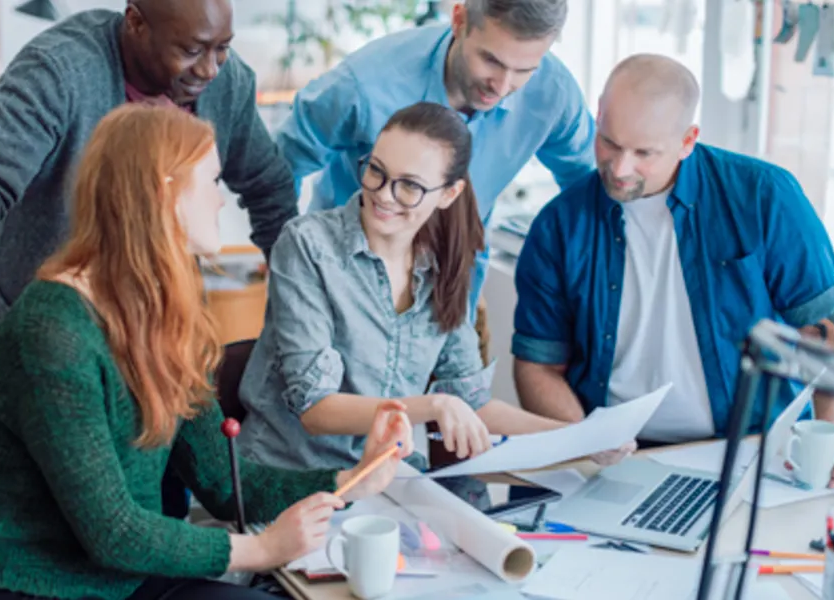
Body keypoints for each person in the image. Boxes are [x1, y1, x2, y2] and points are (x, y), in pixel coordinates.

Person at [0, 104, 414, 600]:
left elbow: (224, 482)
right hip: (18, 582)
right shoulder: (52, 332)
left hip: (117, 579)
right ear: (166, 193)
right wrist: (261, 549)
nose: (222, 202)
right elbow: (113, 532)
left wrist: (352, 479)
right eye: (212, 182)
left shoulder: (164, 308)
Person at [0, 0, 295, 404]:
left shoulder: (226, 81)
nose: (210, 69)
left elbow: (269, 189)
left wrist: (301, 319)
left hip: (154, 338)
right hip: (43, 338)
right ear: (136, 22)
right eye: (192, 49)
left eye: (222, 48)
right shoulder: (59, 70)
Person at [511, 54, 834, 487]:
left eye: (644, 152)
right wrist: (585, 442)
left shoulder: (763, 197)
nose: (620, 169)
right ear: (598, 119)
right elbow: (538, 365)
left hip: (754, 452)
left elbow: (830, 337)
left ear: (688, 140)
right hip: (617, 459)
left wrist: (833, 439)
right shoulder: (558, 225)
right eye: (609, 143)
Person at [237, 102, 632, 471]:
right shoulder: (308, 246)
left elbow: (473, 404)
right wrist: (434, 405)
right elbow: (316, 409)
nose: (384, 195)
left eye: (410, 186)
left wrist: (580, 439)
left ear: (449, 193)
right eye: (376, 170)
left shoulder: (443, 265)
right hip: (288, 478)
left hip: (388, 481)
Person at [275, 0, 596, 317]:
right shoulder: (365, 83)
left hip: (452, 295)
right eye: (490, 60)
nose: (501, 86)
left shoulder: (553, 92)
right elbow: (281, 165)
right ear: (459, 21)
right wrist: (288, 264)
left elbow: (588, 183)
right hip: (339, 286)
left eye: (524, 70)